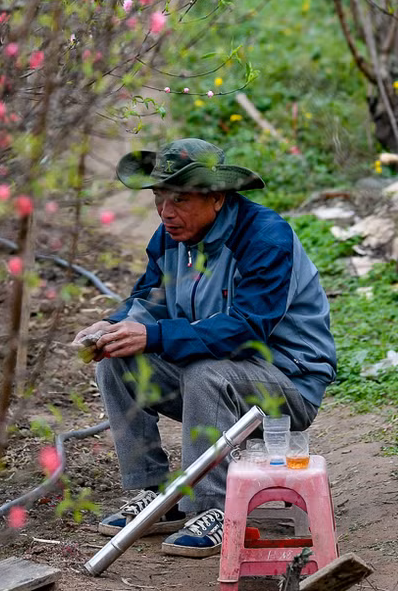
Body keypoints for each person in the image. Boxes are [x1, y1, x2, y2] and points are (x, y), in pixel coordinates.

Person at [73, 138, 336, 559]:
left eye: (180, 199)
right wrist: (113, 325)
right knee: (116, 362)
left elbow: (246, 331)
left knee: (205, 371)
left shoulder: (265, 237)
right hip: (219, 376)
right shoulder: (170, 237)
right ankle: (160, 495)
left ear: (217, 198)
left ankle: (213, 506)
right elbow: (150, 300)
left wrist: (154, 336)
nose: (166, 212)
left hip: (288, 383)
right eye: (160, 198)